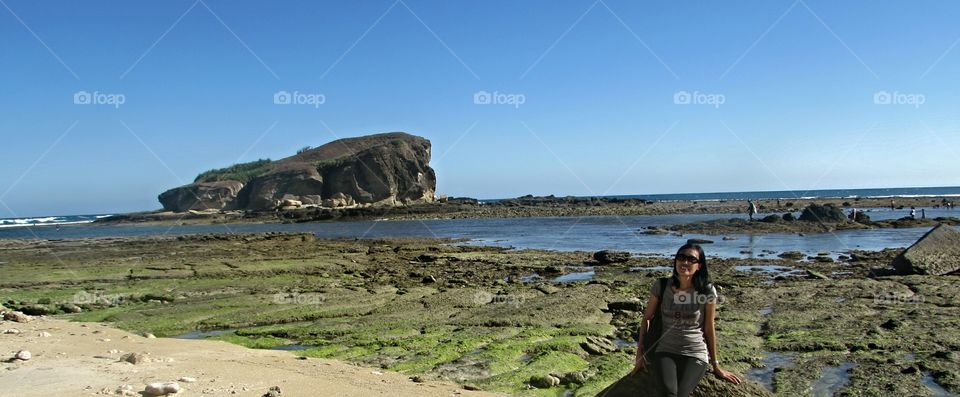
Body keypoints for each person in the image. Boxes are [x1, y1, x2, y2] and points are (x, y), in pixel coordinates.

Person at [633, 244, 741, 396]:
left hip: (695, 352)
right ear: (676, 261)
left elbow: (709, 328)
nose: (685, 262)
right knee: (669, 393)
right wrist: (639, 356)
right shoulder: (662, 285)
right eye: (681, 257)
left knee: (682, 394)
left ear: (699, 266)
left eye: (691, 259)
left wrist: (716, 365)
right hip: (665, 350)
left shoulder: (707, 290)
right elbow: (646, 319)